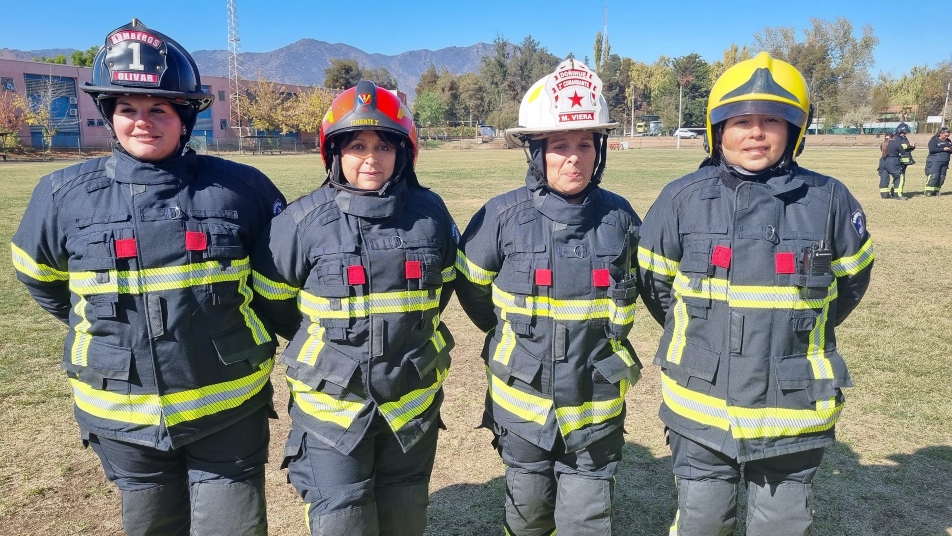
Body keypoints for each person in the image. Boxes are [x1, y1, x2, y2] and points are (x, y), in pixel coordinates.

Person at [10, 19, 286, 536]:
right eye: (127, 109)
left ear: (184, 116)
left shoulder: (242, 189)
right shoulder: (61, 194)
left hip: (229, 409)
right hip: (121, 416)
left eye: (158, 108)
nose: (142, 122)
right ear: (109, 116)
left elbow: (278, 289)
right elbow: (42, 279)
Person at [637, 52, 874, 535]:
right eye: (741, 121)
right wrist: (705, 334)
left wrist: (794, 333)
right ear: (717, 130)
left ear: (796, 131)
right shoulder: (680, 198)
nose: (756, 132)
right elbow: (654, 284)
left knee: (783, 525)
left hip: (792, 409)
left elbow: (850, 283)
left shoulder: (830, 200)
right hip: (699, 404)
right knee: (702, 522)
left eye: (772, 120)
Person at [250, 81, 458, 536]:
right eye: (357, 145)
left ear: (405, 152)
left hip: (410, 403)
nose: (371, 157)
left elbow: (440, 290)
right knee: (342, 522)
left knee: (405, 519)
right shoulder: (299, 223)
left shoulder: (431, 214)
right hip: (332, 412)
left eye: (384, 145)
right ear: (334, 153)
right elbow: (274, 302)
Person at [455, 59, 642, 535]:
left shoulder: (622, 218)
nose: (574, 158)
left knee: (586, 521)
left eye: (585, 144)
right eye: (560, 146)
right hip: (523, 407)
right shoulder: (499, 218)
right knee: (528, 515)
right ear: (536, 153)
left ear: (599, 149)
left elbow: (652, 287)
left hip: (595, 408)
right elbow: (473, 290)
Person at [882, 122, 916, 200]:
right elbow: (899, 147)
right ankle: (897, 194)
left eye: (905, 133)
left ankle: (895, 192)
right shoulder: (895, 138)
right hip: (898, 161)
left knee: (898, 178)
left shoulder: (904, 138)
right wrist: (908, 146)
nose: (904, 134)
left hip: (904, 161)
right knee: (900, 177)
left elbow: (906, 147)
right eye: (903, 133)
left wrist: (912, 147)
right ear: (899, 131)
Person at [924, 126, 951, 196]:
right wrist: (943, 149)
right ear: (941, 133)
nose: (947, 137)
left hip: (945, 162)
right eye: (945, 135)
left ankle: (936, 190)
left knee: (942, 177)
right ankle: (929, 191)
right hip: (934, 162)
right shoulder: (934, 140)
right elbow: (932, 150)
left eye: (948, 136)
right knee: (934, 176)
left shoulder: (948, 141)